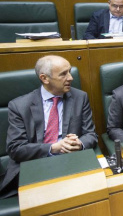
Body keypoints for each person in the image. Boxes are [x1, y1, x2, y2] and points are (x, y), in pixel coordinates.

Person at [0, 55, 98, 199]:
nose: (70, 78)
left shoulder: (80, 97)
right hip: (34, 166)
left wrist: (79, 144)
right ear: (44, 78)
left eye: (69, 71)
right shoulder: (19, 106)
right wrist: (53, 148)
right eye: (63, 74)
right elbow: (16, 148)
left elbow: (91, 134)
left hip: (71, 162)